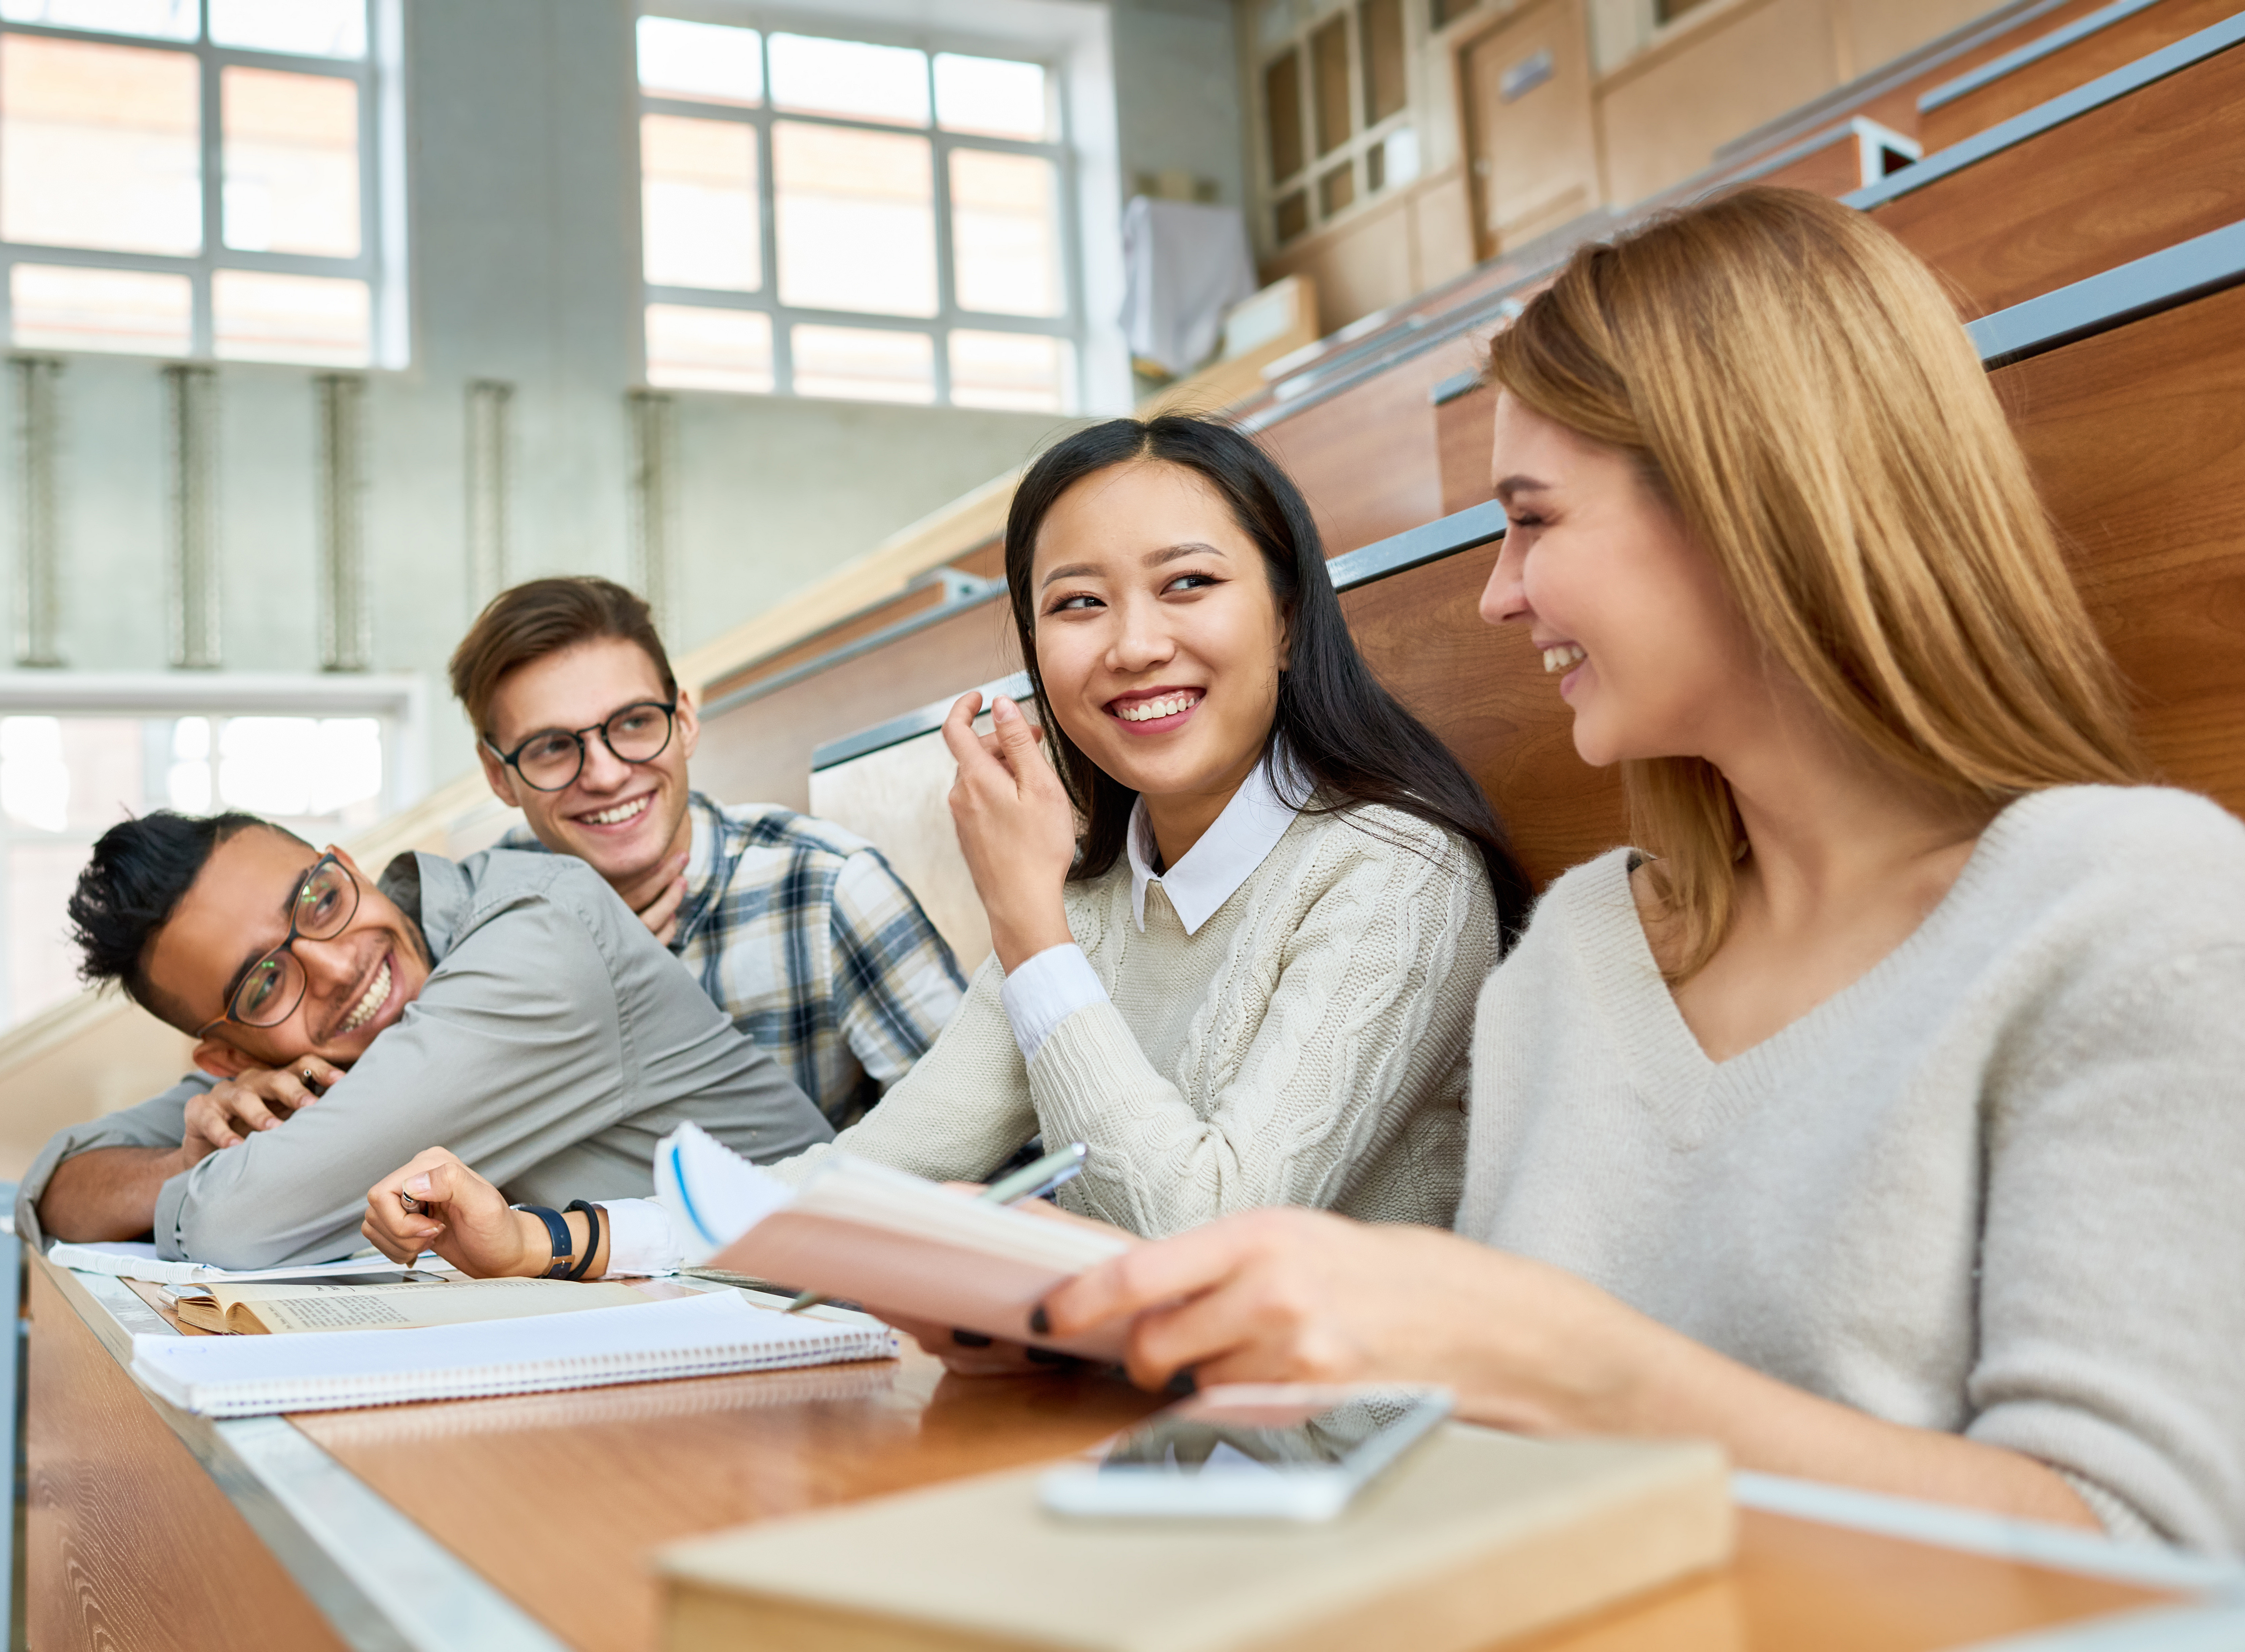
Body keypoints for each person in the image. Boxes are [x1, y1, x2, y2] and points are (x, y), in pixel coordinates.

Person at [967, 190, 2245, 1554]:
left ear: (1746, 504)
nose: (1496, 594)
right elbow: (1483, 1450)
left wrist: (1583, 1367)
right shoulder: (1582, 947)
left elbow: (2150, 1556)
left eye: (1533, 520)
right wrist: (1076, 1326)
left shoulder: (2133, 909)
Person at [359, 414, 1536, 1276]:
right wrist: (540, 1240)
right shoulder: (1084, 902)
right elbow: (864, 1179)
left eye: (1187, 584)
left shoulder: (1393, 877)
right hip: (1117, 1453)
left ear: (1285, 617)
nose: (1131, 645)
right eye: (1076, 604)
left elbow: (1204, 1238)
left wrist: (1027, 930)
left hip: (1335, 1498)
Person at [18, 812, 833, 1269]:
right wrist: (181, 1160)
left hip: (842, 1321)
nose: (336, 964)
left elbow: (239, 1219)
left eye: (320, 898)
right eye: (264, 982)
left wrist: (212, 1176)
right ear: (229, 1057)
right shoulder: (306, 1061)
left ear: (347, 865)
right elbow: (60, 1181)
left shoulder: (538, 938)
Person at [456, 576, 964, 1130]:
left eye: (633, 722)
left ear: (685, 720)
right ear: (499, 777)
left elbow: (996, 1156)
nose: (606, 775)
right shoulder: (480, 922)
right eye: (552, 747)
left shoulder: (825, 890)